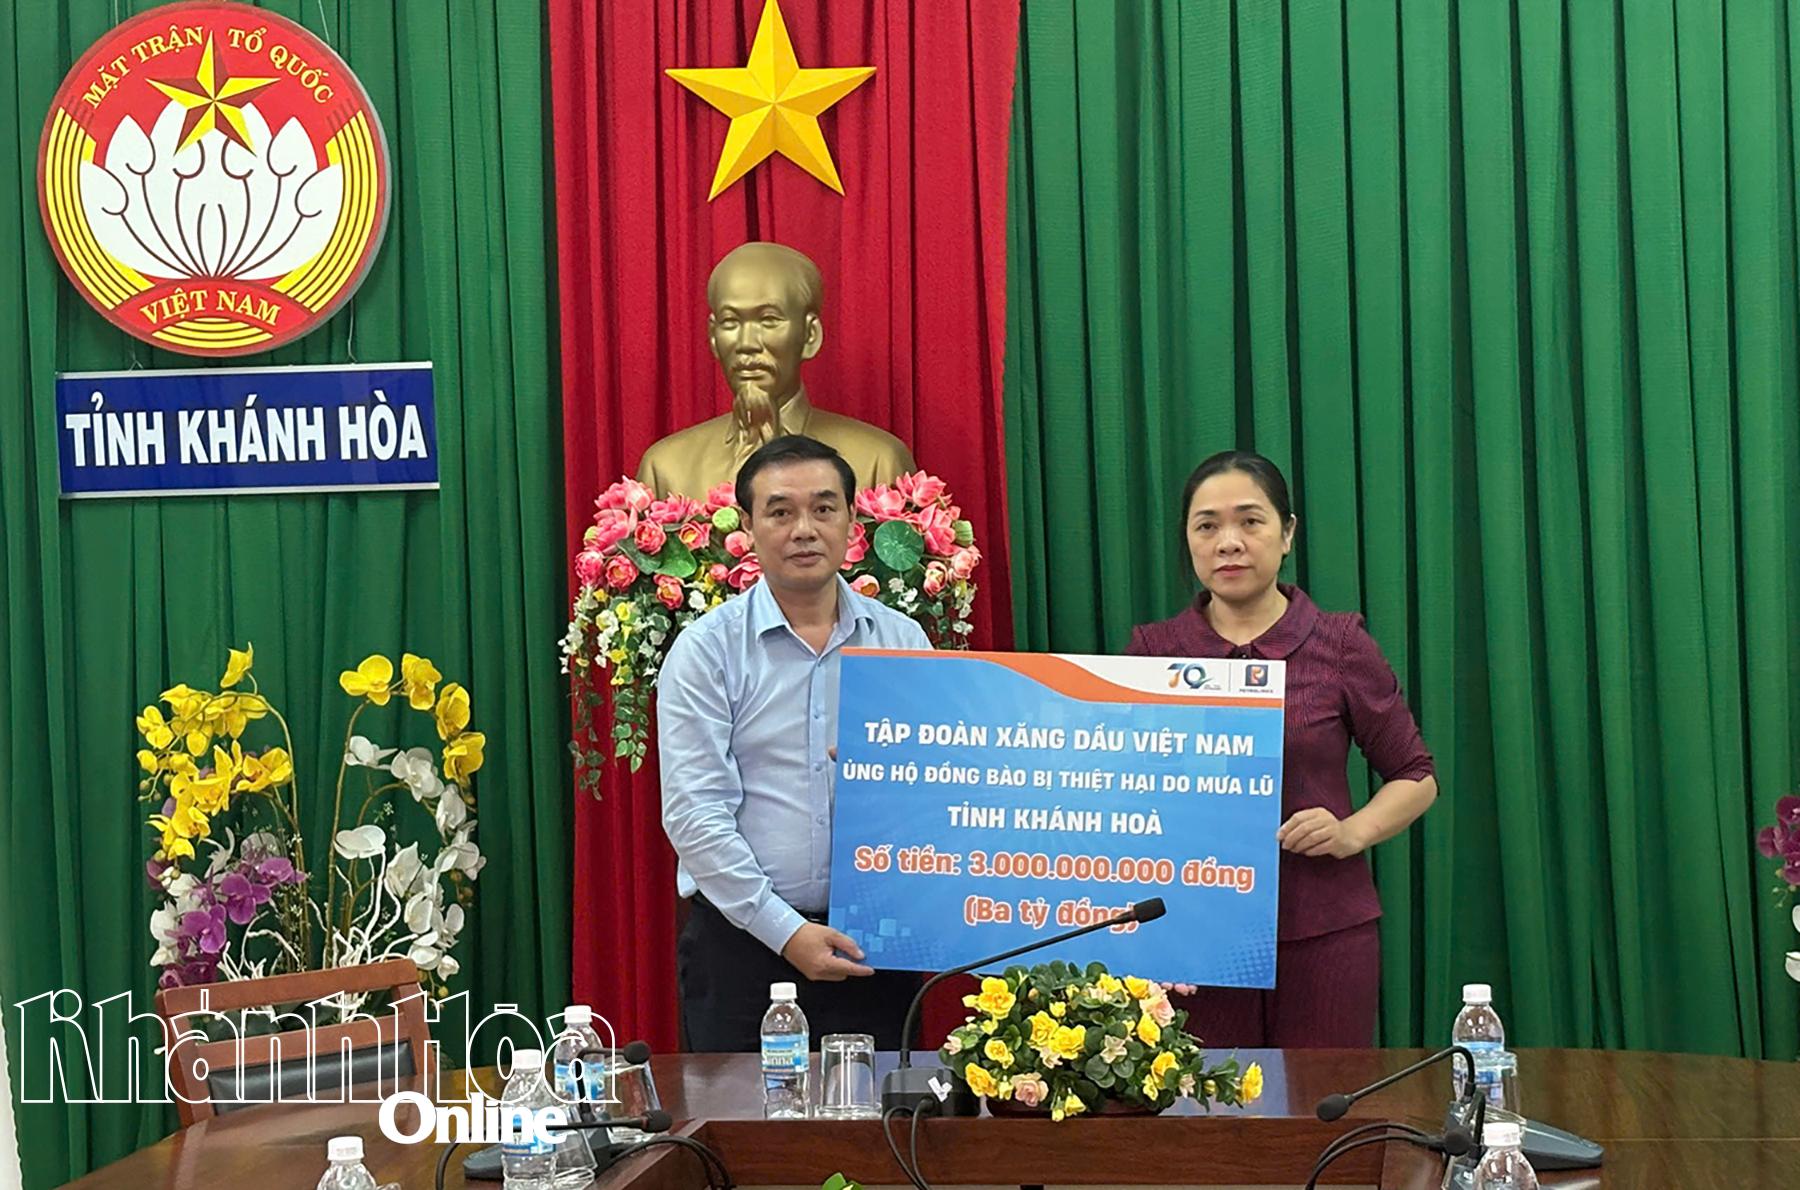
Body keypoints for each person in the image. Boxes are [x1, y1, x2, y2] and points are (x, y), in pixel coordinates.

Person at [1126, 449, 1437, 1047]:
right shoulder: (1153, 651)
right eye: (1207, 526)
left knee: (1320, 1097)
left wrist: (1351, 832)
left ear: (1287, 532)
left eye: (1251, 521)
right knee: (1205, 1099)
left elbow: (1415, 774)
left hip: (1324, 931)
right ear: (1188, 540)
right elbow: (1123, 788)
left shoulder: (1340, 643)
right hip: (1195, 936)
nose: (1229, 543)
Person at [657, 433, 930, 1051]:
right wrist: (785, 931)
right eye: (780, 512)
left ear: (852, 521)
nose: (804, 529)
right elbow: (695, 814)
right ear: (748, 527)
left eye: (824, 508)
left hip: (875, 944)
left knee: (877, 1110)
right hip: (742, 947)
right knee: (740, 1113)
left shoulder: (901, 641)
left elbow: (930, 793)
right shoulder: (707, 651)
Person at [636, 241, 916, 498]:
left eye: (769, 320)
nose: (747, 344)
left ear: (809, 335)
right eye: (730, 322)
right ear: (712, 336)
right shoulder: (666, 469)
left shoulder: (878, 463)